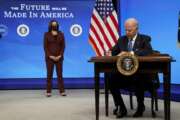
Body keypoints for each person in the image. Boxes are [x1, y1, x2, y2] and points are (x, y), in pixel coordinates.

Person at [107, 18, 153, 118]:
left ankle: (140, 106)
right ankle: (122, 107)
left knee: (138, 79)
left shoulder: (144, 39)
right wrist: (109, 52)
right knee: (111, 81)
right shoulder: (121, 39)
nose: (127, 32)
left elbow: (148, 52)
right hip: (124, 73)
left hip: (140, 73)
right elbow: (114, 52)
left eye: (130, 30)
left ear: (136, 29)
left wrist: (130, 53)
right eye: (126, 30)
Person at [43, 20, 66, 97]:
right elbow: (45, 47)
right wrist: (50, 56)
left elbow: (63, 46)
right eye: (53, 25)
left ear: (57, 25)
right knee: (49, 75)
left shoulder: (61, 34)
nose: (54, 26)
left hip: (59, 58)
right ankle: (48, 91)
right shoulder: (46, 34)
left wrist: (60, 55)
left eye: (55, 25)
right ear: (50, 26)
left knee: (60, 75)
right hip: (49, 58)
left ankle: (62, 91)